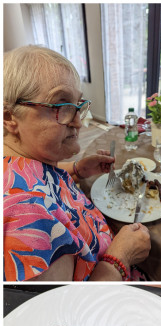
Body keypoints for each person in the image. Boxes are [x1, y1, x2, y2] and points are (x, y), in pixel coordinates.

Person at [3, 46, 151, 281]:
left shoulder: (17, 163)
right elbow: (65, 310)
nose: (79, 122)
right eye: (62, 106)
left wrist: (77, 169)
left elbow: (35, 177)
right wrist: (121, 257)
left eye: (78, 106)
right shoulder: (28, 214)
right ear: (10, 117)